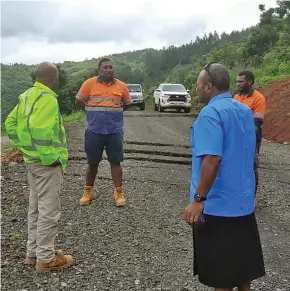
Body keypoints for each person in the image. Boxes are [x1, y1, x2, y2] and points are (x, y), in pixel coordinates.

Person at [184, 62, 265, 291]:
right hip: (243, 205)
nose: (196, 89)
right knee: (242, 270)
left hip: (218, 208)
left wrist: (198, 200)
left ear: (209, 86)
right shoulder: (243, 110)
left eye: (198, 85)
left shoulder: (210, 114)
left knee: (222, 276)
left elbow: (213, 159)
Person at [5, 62, 73, 273]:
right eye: (58, 76)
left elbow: (10, 124)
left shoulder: (27, 96)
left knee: (35, 208)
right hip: (46, 164)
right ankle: (45, 258)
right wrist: (49, 157)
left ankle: (33, 253)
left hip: (31, 162)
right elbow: (40, 129)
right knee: (48, 210)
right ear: (53, 78)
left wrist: (25, 149)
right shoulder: (48, 99)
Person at [75, 58, 132, 207]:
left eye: (110, 67)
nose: (108, 70)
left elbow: (127, 103)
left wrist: (114, 115)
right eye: (105, 67)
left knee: (115, 162)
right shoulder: (89, 84)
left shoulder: (121, 86)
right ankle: (88, 191)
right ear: (99, 70)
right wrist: (92, 114)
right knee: (92, 162)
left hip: (114, 131)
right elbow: (79, 101)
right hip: (94, 130)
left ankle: (118, 192)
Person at [234, 71, 266, 195]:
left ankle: (250, 197)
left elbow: (257, 123)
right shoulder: (236, 97)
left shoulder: (259, 98)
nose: (238, 84)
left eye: (241, 81)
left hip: (251, 139)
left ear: (250, 81)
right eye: (237, 81)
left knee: (251, 167)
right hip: (235, 138)